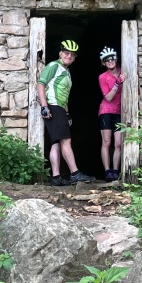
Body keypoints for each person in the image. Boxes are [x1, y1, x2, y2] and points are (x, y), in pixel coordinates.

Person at [37, 39, 96, 186]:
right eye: (66, 53)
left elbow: (64, 95)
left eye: (72, 54)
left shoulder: (66, 72)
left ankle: (56, 177)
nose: (69, 56)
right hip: (54, 107)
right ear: (60, 53)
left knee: (56, 142)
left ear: (75, 58)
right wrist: (44, 106)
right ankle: (75, 174)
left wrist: (67, 113)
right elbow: (40, 84)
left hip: (59, 108)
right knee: (66, 141)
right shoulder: (53, 66)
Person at [98, 47, 126, 182]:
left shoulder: (123, 72)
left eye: (112, 58)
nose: (110, 61)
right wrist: (117, 83)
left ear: (116, 59)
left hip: (120, 111)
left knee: (119, 143)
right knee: (107, 142)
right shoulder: (102, 77)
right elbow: (108, 98)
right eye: (106, 60)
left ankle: (115, 170)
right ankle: (107, 171)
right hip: (106, 111)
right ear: (103, 63)